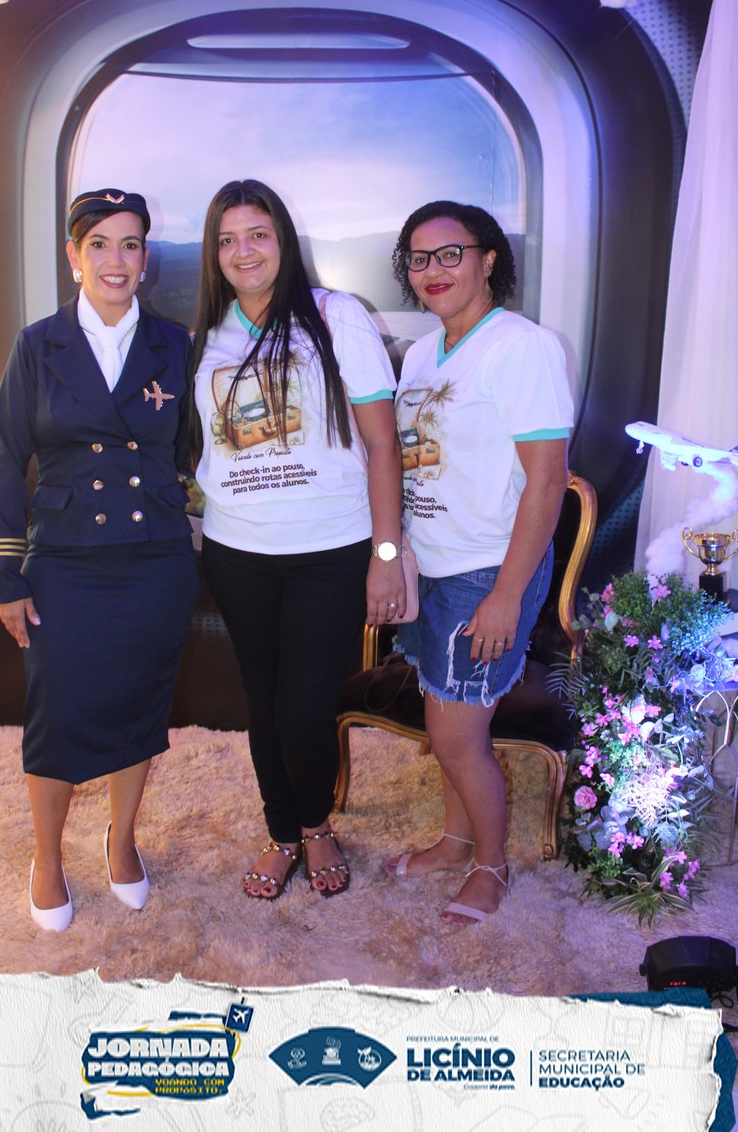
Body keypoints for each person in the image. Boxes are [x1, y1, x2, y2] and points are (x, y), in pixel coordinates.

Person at [0, 189, 200, 931]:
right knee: (57, 711)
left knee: (139, 704)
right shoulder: (37, 344)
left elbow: (195, 450)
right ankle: (47, 857)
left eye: (131, 244)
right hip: (67, 558)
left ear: (145, 258)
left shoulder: (175, 344)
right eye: (100, 244)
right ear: (74, 255)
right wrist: (5, 575)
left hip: (153, 557)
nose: (117, 259)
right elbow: (7, 460)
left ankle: (122, 838)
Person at [191, 179, 403, 899]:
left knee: (305, 709)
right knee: (263, 702)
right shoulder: (207, 337)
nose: (243, 251)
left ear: (284, 239)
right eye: (227, 239)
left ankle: (316, 824)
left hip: (329, 551)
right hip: (236, 552)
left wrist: (386, 554)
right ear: (213, 254)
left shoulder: (336, 316)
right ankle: (282, 831)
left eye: (258, 234)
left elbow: (383, 445)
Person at [387, 200, 573, 924]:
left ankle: (490, 867)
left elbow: (548, 480)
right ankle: (455, 840)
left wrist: (507, 594)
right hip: (432, 565)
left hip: (488, 569)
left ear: (488, 258)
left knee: (456, 735)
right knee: (445, 720)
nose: (432, 271)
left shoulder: (521, 347)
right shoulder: (420, 354)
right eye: (419, 258)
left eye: (450, 254)